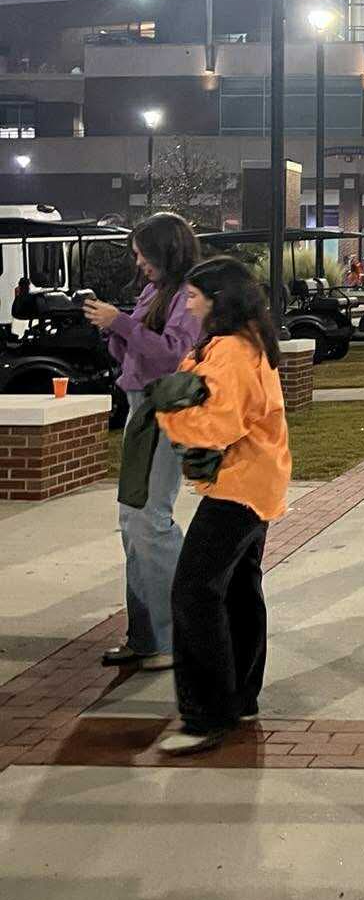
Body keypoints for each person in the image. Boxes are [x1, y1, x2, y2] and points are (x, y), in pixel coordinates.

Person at [153, 256, 292, 755]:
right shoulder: (247, 340)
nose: (187, 304)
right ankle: (239, 696)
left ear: (218, 300)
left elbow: (220, 425)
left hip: (238, 487)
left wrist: (170, 420)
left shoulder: (233, 350)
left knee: (194, 592)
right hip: (260, 482)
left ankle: (206, 714)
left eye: (194, 296)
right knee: (237, 590)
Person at [85, 213, 202, 671]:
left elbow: (174, 353)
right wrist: (114, 328)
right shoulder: (155, 291)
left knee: (149, 519)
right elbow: (137, 349)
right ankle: (147, 635)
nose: (137, 261)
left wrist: (125, 325)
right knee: (132, 518)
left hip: (162, 410)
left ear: (163, 250)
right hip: (140, 407)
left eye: (141, 252)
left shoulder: (187, 294)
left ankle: (178, 634)